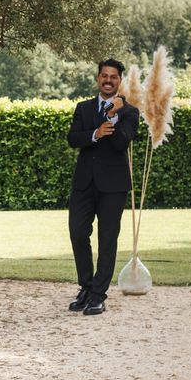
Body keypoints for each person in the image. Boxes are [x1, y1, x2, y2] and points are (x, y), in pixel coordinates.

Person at [67, 59, 140, 315]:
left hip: (113, 186)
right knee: (77, 232)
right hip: (84, 184)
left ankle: (98, 295)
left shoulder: (130, 112)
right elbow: (72, 138)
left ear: (120, 81)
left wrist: (112, 115)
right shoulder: (83, 108)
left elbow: (121, 143)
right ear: (98, 78)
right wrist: (95, 133)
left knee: (107, 240)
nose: (108, 80)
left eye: (114, 77)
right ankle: (86, 287)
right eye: (104, 76)